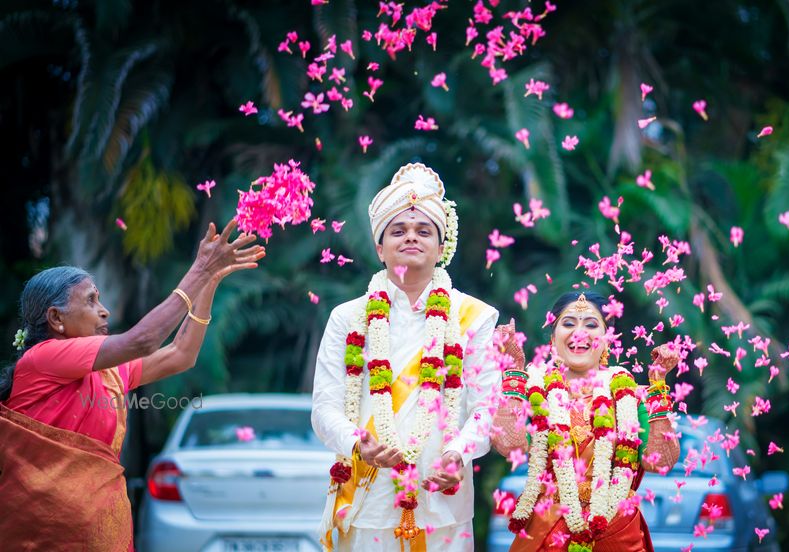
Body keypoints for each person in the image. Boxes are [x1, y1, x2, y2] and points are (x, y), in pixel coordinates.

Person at [0, 220, 264, 550]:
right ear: (56, 319)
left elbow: (181, 354)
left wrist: (208, 283)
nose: (104, 311)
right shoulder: (43, 359)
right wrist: (198, 270)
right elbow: (144, 340)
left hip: (97, 530)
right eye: (91, 301)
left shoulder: (106, 372)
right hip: (42, 536)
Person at [311, 163, 500, 552]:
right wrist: (357, 443)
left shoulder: (474, 317)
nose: (410, 237)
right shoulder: (347, 318)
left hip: (442, 504)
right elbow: (324, 409)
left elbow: (487, 408)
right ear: (380, 248)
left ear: (441, 246)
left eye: (423, 230)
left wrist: (457, 453)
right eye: (397, 230)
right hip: (365, 502)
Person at [491, 291, 681, 552]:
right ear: (552, 337)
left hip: (615, 531)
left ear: (607, 340)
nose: (579, 333)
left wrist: (658, 384)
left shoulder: (629, 396)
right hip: (548, 533)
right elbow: (508, 446)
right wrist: (513, 369)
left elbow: (660, 462)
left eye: (591, 325)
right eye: (568, 323)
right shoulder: (535, 388)